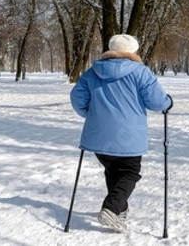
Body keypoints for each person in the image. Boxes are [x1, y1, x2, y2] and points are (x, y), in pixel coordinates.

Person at [70, 34, 173, 233]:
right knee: (129, 172)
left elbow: (77, 97)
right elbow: (157, 102)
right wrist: (168, 102)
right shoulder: (140, 72)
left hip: (99, 135)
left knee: (113, 171)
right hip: (129, 136)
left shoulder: (92, 72)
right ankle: (111, 208)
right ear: (132, 51)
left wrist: (90, 114)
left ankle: (119, 210)